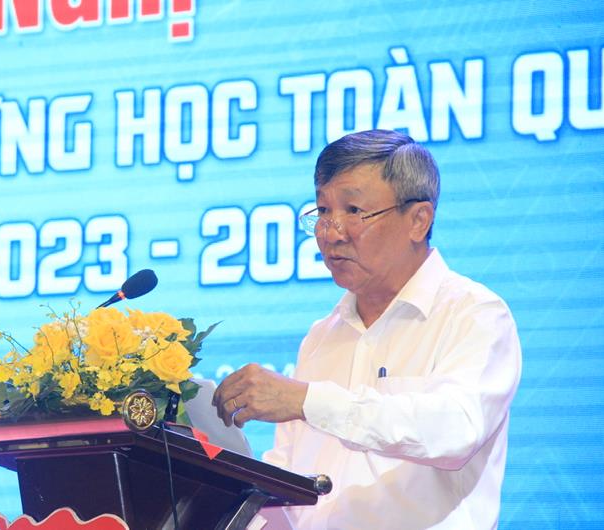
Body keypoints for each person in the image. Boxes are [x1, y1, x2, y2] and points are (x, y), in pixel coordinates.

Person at [212, 130, 522, 529]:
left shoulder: (474, 314)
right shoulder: (321, 337)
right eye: (323, 210)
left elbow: (455, 431)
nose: (331, 231)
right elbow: (288, 481)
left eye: (353, 210)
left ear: (418, 220)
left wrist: (309, 401)